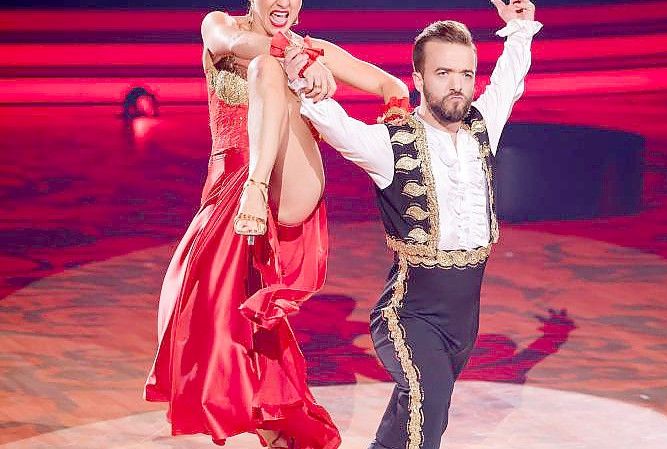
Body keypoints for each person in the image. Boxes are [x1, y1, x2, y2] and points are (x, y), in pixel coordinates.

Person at [143, 0, 408, 447]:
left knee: (269, 65)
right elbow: (233, 42)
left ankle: (257, 186)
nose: (283, 2)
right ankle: (273, 423)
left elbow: (391, 84)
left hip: (285, 186)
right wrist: (298, 56)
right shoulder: (219, 25)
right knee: (199, 300)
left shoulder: (315, 48)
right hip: (226, 185)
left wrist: (395, 143)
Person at [287, 1, 541, 447]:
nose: (458, 86)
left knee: (416, 418)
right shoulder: (392, 143)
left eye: (465, 74)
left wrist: (519, 28)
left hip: (465, 323)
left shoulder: (484, 128)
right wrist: (305, 79)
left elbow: (508, 81)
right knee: (427, 405)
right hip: (407, 316)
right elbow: (337, 125)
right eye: (444, 74)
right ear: (419, 80)